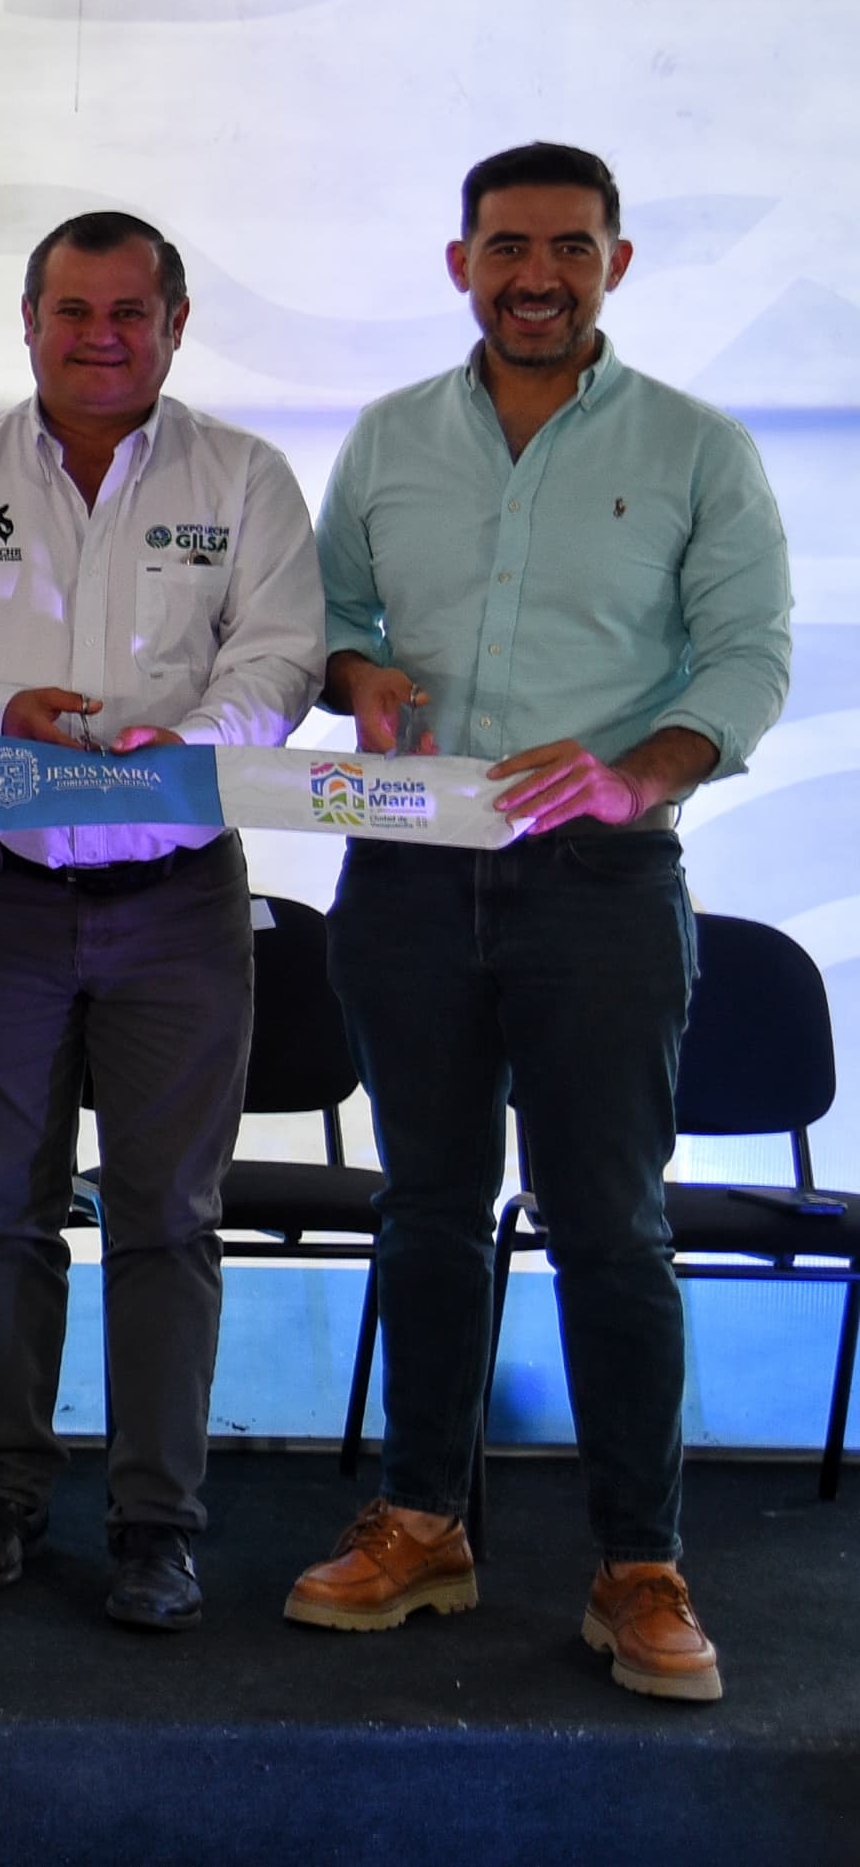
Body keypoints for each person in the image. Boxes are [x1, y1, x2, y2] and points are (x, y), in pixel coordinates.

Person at [287, 142, 788, 1703]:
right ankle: (424, 1524)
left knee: (612, 1225)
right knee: (430, 1207)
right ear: (461, 264)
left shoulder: (698, 448)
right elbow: (330, 618)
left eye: (571, 247)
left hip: (602, 886)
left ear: (616, 264)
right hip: (411, 874)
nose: (538, 276)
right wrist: (359, 675)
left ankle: (640, 1566)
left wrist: (637, 775)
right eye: (508, 246)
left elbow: (749, 657)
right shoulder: (390, 437)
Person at [0, 211, 320, 1632]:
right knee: (5, 1209)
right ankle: (7, 1491)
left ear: (175, 326)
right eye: (73, 310)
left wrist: (194, 743)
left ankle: (155, 1524)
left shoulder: (242, 476)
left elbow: (283, 653)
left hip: (176, 899)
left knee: (166, 1218)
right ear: (29, 322)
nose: (101, 336)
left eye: (131, 312)